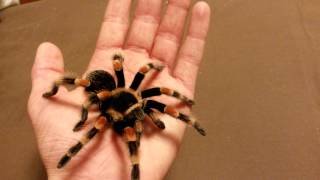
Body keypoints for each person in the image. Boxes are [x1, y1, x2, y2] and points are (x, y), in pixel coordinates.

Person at [27, 0, 211, 179]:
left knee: (160, 90)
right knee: (102, 127)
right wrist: (82, 116)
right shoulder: (106, 108)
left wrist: (181, 99)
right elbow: (92, 126)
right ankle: (133, 171)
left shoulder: (141, 101)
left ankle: (189, 120)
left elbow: (153, 81)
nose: (140, 114)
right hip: (103, 90)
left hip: (118, 91)